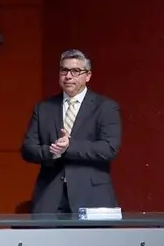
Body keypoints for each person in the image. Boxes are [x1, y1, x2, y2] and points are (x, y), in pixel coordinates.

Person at [20, 49, 122, 214]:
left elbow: (109, 148)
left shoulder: (105, 107)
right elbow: (27, 149)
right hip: (50, 197)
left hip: (92, 196)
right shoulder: (44, 108)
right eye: (64, 70)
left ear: (87, 76)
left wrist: (70, 147)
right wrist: (52, 151)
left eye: (75, 71)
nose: (68, 76)